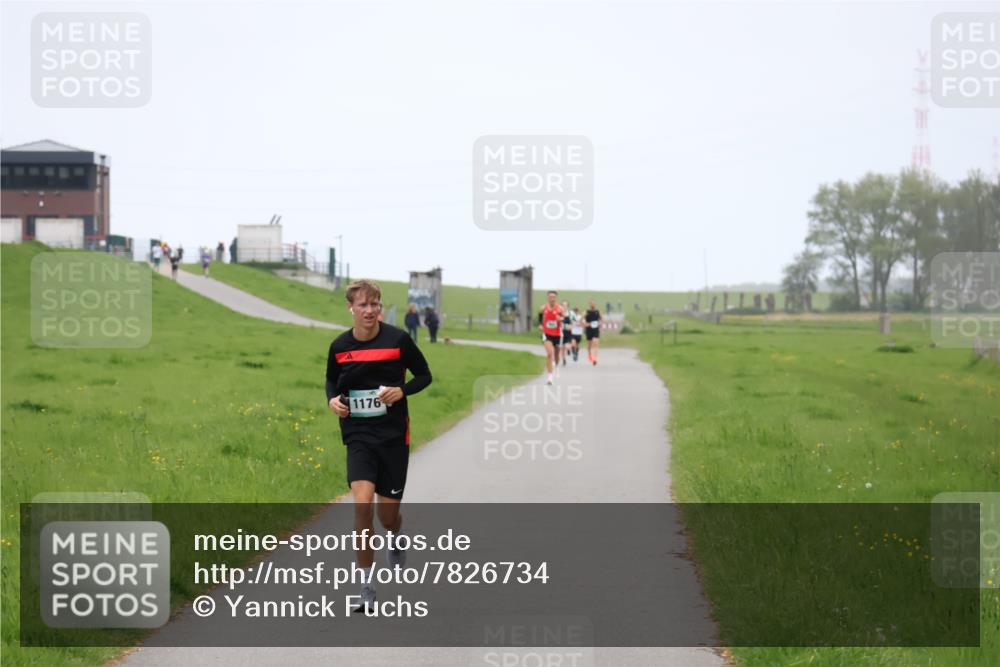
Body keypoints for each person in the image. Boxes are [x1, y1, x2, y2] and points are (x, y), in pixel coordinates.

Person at [325, 279, 432, 615]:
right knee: (360, 505)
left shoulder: (398, 340)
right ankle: (367, 587)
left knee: (386, 517)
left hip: (392, 437)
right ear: (351, 308)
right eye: (363, 305)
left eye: (375, 304)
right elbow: (331, 379)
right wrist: (332, 401)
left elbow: (424, 375)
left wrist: (403, 391)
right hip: (358, 435)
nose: (370, 311)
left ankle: (397, 534)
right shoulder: (340, 345)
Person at [539, 291, 565, 385]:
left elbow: (565, 318)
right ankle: (550, 377)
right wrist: (541, 325)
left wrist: (560, 319)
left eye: (553, 297)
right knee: (550, 353)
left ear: (556, 298)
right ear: (548, 298)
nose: (552, 298)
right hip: (547, 333)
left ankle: (557, 365)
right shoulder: (543, 308)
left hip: (557, 334)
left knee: (557, 353)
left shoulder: (560, 308)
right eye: (550, 297)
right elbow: (540, 316)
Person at [584, 299, 603, 365]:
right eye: (591, 303)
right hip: (589, 330)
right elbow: (581, 320)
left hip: (596, 330)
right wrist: (585, 324)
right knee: (589, 345)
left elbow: (602, 319)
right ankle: (590, 355)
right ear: (589, 304)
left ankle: (595, 358)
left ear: (595, 304)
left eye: (594, 303)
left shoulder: (598, 312)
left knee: (596, 343)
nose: (593, 305)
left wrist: (600, 323)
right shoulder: (586, 312)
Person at [560, 301, 573, 367]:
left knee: (567, 346)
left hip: (568, 333)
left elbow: (570, 327)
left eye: (565, 305)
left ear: (567, 307)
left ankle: (568, 349)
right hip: (560, 333)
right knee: (562, 348)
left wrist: (565, 326)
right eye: (563, 305)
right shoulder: (559, 315)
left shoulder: (569, 315)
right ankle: (564, 359)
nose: (564, 307)